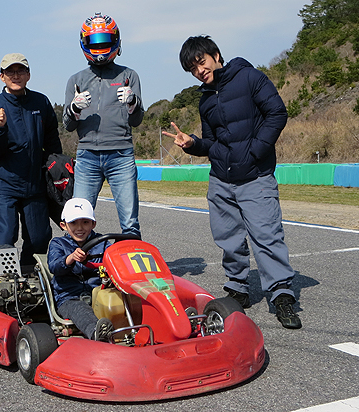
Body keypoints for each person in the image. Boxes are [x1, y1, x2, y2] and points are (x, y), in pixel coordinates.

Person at [163, 35, 301, 329]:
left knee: (267, 236)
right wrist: (193, 144)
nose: (199, 71)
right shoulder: (206, 100)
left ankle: (282, 295)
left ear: (215, 55)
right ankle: (238, 288)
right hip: (221, 180)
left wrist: (256, 151)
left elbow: (277, 113)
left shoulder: (250, 77)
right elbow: (212, 143)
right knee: (229, 238)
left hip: (255, 176)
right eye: (192, 68)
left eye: (201, 62)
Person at [63, 12, 144, 239]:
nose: (99, 48)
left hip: (121, 155)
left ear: (116, 41)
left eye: (105, 42)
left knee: (129, 222)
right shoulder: (76, 80)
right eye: (94, 43)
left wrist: (133, 103)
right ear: (84, 43)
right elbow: (67, 125)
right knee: (77, 221)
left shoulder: (129, 75)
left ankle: (133, 269)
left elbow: (137, 121)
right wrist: (74, 108)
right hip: (87, 156)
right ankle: (79, 268)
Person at [0, 53, 62, 266]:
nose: (15, 76)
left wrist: (56, 167)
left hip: (35, 183)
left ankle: (29, 276)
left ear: (28, 74)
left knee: (39, 238)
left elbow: (52, 139)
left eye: (20, 71)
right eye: (10, 72)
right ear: (2, 76)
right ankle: (2, 283)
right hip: (4, 183)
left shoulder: (41, 102)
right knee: (4, 238)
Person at [48, 197, 114, 341]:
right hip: (70, 297)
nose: (79, 228)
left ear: (93, 224)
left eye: (85, 222)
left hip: (99, 293)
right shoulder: (58, 244)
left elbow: (114, 260)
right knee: (81, 310)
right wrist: (70, 258)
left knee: (124, 299)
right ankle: (98, 334)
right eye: (73, 223)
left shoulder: (102, 243)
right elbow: (54, 266)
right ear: (63, 225)